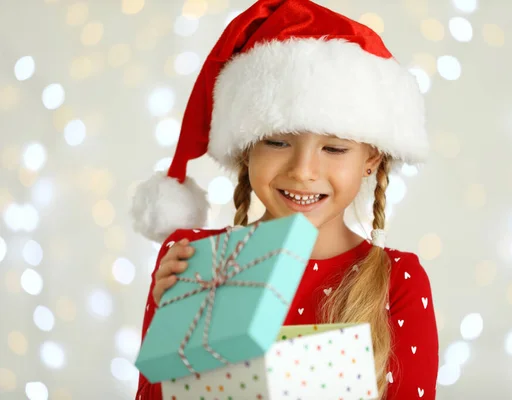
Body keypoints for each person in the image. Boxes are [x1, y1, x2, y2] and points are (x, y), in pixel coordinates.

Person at [130, 0, 439, 398]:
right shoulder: (192, 259)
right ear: (246, 149)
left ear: (371, 159)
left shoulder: (399, 281)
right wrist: (172, 331)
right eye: (277, 141)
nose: (303, 170)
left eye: (334, 149)